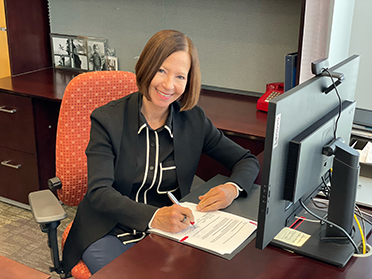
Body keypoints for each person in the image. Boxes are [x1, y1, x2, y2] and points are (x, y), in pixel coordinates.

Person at [62, 29, 260, 275]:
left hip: (169, 231)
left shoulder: (193, 120)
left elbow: (246, 159)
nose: (169, 85)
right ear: (146, 67)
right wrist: (155, 217)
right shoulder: (107, 120)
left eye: (180, 76)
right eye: (161, 71)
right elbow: (100, 193)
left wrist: (232, 189)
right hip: (108, 227)